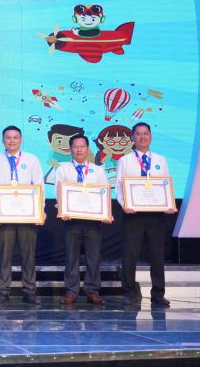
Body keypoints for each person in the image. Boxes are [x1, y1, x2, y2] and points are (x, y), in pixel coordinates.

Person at [115, 122, 175, 308]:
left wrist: (169, 204)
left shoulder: (160, 160)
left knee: (157, 256)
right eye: (138, 134)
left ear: (151, 136)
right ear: (133, 137)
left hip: (156, 215)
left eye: (145, 133)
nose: (142, 137)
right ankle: (129, 293)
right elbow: (119, 187)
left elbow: (166, 185)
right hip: (133, 215)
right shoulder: (125, 160)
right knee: (130, 255)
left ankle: (158, 294)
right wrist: (125, 205)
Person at [0, 125, 45, 305]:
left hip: (28, 215)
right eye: (8, 137)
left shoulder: (32, 160)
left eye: (15, 137)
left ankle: (29, 290)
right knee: (4, 254)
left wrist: (40, 210)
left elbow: (39, 186)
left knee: (28, 254)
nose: (11, 141)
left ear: (21, 140)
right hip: (5, 215)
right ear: (2, 140)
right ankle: (3, 290)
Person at [55, 134, 111, 305]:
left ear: (87, 148)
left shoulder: (98, 170)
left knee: (93, 257)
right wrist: (62, 209)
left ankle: (92, 291)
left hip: (93, 221)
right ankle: (71, 291)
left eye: (82, 146)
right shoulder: (63, 169)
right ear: (70, 149)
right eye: (75, 146)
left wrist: (106, 213)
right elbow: (59, 193)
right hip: (71, 220)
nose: (79, 149)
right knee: (71, 257)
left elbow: (104, 192)